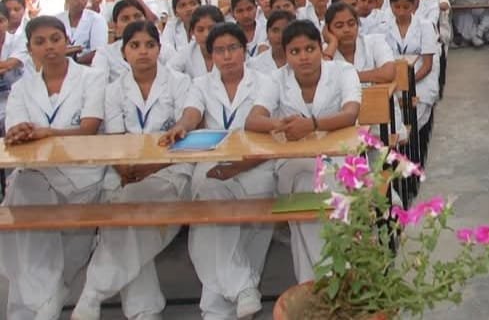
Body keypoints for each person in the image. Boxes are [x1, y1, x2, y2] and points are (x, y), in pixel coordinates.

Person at [72, 22, 193, 320]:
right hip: (125, 172)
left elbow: (186, 130)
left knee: (129, 214)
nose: (143, 52)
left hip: (170, 168)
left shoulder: (180, 82)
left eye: (150, 45)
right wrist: (125, 168)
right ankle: (144, 309)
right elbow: (115, 139)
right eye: (135, 46)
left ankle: (93, 292)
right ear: (123, 52)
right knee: (128, 221)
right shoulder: (113, 90)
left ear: (159, 49)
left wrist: (150, 167)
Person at [161, 23, 274, 319]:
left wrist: (239, 166)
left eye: (233, 48)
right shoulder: (200, 84)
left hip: (255, 163)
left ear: (244, 50)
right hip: (214, 165)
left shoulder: (266, 82)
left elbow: (267, 125)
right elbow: (192, 113)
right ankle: (243, 289)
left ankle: (218, 307)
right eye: (219, 50)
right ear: (210, 55)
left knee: (229, 232)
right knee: (209, 211)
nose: (227, 56)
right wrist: (182, 126)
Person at [0, 16, 107, 320]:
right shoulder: (22, 87)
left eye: (55, 39)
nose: (49, 47)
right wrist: (20, 133)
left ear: (67, 42)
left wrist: (48, 133)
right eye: (40, 42)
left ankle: (38, 305)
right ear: (29, 48)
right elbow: (16, 131)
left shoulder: (91, 78)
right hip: (37, 172)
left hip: (80, 175)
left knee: (59, 238)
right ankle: (41, 304)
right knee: (25, 199)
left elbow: (88, 128)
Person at [246, 19, 362, 283]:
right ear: (286, 54)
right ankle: (331, 282)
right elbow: (253, 120)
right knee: (305, 188)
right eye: (295, 51)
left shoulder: (343, 71)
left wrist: (312, 124)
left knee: (313, 195)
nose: (304, 57)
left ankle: (315, 284)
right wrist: (280, 124)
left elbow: (350, 114)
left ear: (321, 48)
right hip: (293, 160)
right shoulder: (277, 78)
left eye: (310, 49)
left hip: (338, 158)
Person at [384, 0, 439, 129]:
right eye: (396, 7)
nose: (401, 12)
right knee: (390, 122)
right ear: (390, 5)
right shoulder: (385, 27)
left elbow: (427, 65)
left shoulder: (425, 26)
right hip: (394, 82)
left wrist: (407, 82)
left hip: (419, 80)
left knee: (411, 122)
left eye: (406, 7)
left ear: (414, 4)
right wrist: (397, 84)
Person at [321, 2, 396, 84]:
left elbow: (389, 73)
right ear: (327, 30)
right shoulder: (325, 51)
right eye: (339, 26)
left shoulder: (375, 41)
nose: (346, 30)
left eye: (351, 24)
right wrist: (332, 43)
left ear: (358, 24)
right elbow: (320, 78)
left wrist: (347, 77)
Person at [167, 4, 224, 78]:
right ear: (192, 32)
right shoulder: (188, 51)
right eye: (200, 30)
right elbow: (168, 71)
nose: (206, 34)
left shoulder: (232, 50)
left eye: (211, 29)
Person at [63, 0, 107, 65]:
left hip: (88, 66)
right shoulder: (57, 19)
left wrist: (75, 62)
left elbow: (99, 51)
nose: (80, 1)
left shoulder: (97, 19)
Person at [248, 9, 295, 74]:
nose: (280, 36)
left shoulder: (302, 62)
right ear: (267, 33)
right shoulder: (254, 65)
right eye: (275, 31)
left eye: (286, 31)